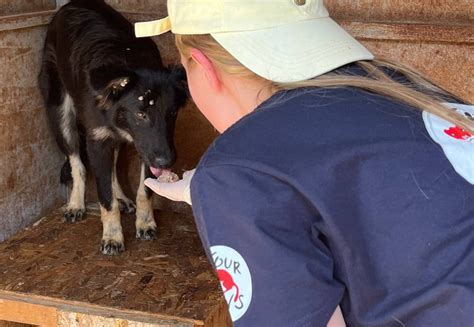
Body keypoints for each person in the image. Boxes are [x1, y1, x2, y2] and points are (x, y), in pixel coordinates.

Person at [135, 1, 474, 326]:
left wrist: (227, 189)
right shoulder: (399, 84)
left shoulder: (239, 167)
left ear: (202, 66)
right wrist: (218, 194)